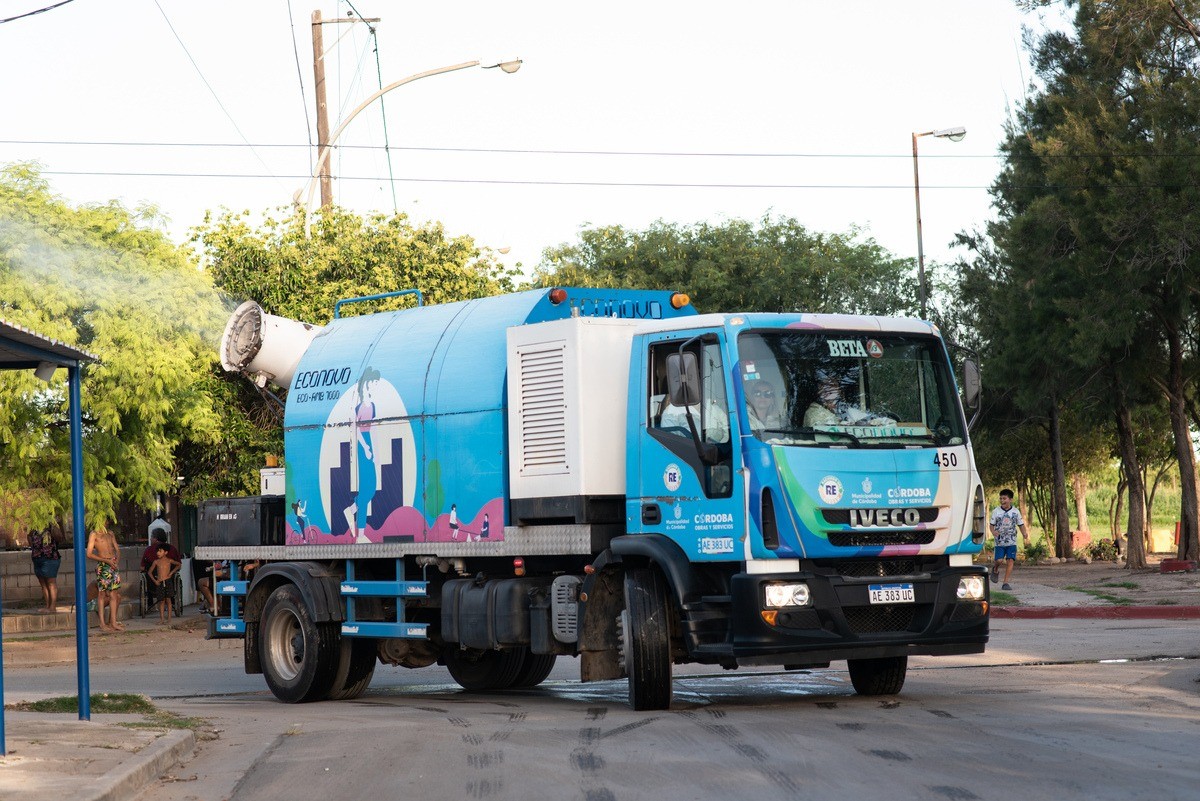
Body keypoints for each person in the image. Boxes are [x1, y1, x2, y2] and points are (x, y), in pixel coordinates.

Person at [803, 373, 891, 427]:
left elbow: (868, 419)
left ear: (839, 391)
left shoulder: (847, 411)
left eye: (833, 386)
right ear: (819, 391)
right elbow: (823, 430)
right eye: (825, 386)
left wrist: (883, 421)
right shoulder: (813, 412)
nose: (829, 390)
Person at [86, 524, 125, 632]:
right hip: (103, 565)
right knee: (102, 594)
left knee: (114, 594)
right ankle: (102, 623)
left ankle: (113, 622)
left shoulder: (110, 533)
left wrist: (116, 561)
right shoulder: (94, 534)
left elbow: (117, 549)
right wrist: (106, 561)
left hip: (113, 564)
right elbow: (89, 554)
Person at [990, 488, 1030, 591]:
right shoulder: (996, 511)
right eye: (1001, 498)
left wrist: (1024, 533)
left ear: (1010, 499)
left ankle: (1005, 583)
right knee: (999, 560)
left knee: (1010, 560)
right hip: (999, 542)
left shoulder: (1015, 512)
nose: (1002, 500)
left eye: (1004, 498)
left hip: (1012, 541)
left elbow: (1021, 524)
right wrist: (993, 532)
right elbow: (991, 525)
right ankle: (995, 569)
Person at [28, 527, 61, 612]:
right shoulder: (34, 526)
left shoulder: (52, 526)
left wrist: (53, 527)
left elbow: (59, 538)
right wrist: (34, 548)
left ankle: (52, 607)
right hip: (37, 557)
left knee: (51, 582)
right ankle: (48, 606)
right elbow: (29, 536)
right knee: (43, 584)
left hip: (50, 557)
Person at [148, 545, 181, 624]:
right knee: (161, 601)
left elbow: (178, 564)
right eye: (157, 551)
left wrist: (171, 572)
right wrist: (155, 581)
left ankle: (169, 619)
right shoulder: (156, 562)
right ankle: (162, 619)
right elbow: (149, 572)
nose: (158, 553)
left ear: (165, 552)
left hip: (167, 581)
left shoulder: (169, 561)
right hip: (160, 582)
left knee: (168, 600)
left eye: (160, 551)